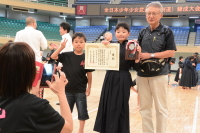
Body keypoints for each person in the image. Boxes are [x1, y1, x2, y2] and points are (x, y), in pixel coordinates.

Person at [0, 42, 73, 133]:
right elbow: (67, 129)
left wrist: (33, 96)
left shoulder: (33, 104)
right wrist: (61, 93)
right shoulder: (37, 106)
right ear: (30, 71)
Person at [136, 2, 176, 133]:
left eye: (154, 13)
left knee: (161, 109)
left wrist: (150, 55)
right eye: (148, 13)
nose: (151, 16)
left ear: (161, 15)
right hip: (142, 75)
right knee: (144, 109)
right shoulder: (142, 32)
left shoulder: (167, 31)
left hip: (159, 75)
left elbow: (171, 52)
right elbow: (135, 51)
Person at [93, 22, 141, 133]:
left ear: (128, 33)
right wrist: (102, 46)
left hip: (123, 77)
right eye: (118, 31)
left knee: (121, 104)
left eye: (124, 32)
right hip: (110, 76)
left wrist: (138, 55)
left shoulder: (131, 46)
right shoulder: (110, 45)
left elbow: (136, 67)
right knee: (108, 102)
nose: (121, 34)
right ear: (114, 33)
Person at [51, 32, 94, 133]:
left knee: (82, 112)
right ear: (72, 43)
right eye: (76, 42)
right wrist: (61, 47)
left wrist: (89, 88)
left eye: (81, 42)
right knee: (66, 112)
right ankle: (65, 129)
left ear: (85, 43)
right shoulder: (67, 55)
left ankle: (81, 130)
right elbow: (53, 56)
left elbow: (89, 74)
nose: (78, 44)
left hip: (81, 90)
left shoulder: (87, 57)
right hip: (67, 90)